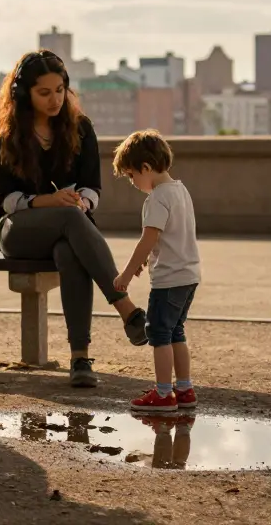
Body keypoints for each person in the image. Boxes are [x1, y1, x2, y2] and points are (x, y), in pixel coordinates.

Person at [0, 50, 148, 388]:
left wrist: (81, 202)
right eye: (44, 92)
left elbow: (93, 188)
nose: (55, 98)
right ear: (23, 93)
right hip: (16, 229)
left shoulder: (80, 128)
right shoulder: (2, 132)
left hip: (68, 227)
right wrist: (51, 201)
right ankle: (126, 307)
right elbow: (8, 200)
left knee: (70, 250)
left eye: (60, 89)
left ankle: (80, 358)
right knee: (69, 220)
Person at [112, 130, 200, 413]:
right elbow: (169, 237)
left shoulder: (157, 198)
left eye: (131, 175)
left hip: (169, 279)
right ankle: (184, 389)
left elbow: (148, 238)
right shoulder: (181, 190)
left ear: (145, 168)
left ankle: (163, 394)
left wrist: (126, 273)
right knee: (176, 332)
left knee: (159, 334)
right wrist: (143, 263)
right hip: (189, 275)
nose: (133, 182)